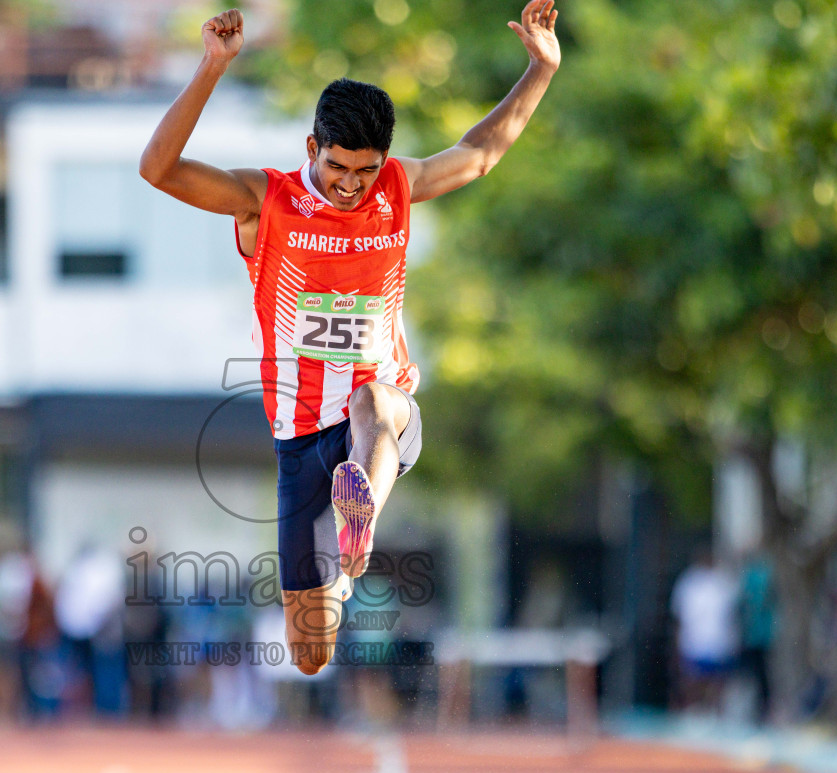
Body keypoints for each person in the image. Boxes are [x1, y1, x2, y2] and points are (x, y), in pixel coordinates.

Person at [140, 1, 562, 674]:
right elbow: (158, 169)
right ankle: (341, 557)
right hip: (298, 436)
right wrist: (212, 67)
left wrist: (541, 68)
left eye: (366, 170)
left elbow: (480, 155)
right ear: (313, 149)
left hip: (378, 412)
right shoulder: (266, 200)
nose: (351, 185)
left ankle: (358, 520)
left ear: (383, 161)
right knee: (310, 655)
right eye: (339, 167)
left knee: (374, 403)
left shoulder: (397, 188)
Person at [669, 547, 740, 713]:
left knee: (717, 684)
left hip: (718, 642)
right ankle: (692, 714)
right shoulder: (689, 582)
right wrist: (678, 643)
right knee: (692, 682)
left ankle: (715, 717)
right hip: (694, 641)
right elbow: (679, 616)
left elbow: (732, 615)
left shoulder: (723, 581)